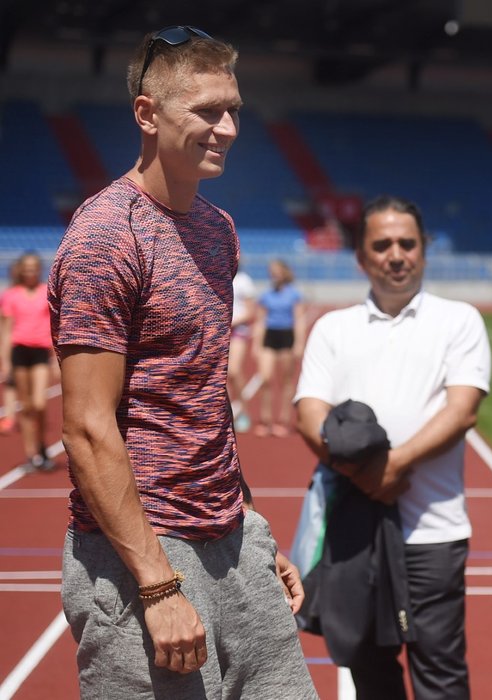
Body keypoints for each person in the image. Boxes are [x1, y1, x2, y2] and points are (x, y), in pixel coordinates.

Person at [47, 25, 317, 698]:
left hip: (233, 540)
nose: (226, 127)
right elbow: (85, 426)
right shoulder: (108, 234)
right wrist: (159, 585)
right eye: (206, 111)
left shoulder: (217, 231)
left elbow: (202, 394)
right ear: (148, 113)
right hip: (146, 555)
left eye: (233, 111)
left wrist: (250, 523)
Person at [294, 194, 491, 700]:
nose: (396, 254)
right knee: (369, 670)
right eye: (381, 245)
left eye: (407, 243)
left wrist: (394, 465)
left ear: (423, 250)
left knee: (440, 674)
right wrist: (362, 474)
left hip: (434, 530)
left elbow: (462, 409)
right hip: (354, 528)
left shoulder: (459, 320)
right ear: (361, 257)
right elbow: (309, 413)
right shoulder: (332, 328)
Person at [1, 252, 57, 470]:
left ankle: (42, 445)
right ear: (21, 270)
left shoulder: (46, 293)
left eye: (34, 267)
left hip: (41, 352)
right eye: (27, 267)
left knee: (40, 403)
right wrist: (5, 361)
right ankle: (31, 454)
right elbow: (5, 331)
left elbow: (54, 326)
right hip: (20, 352)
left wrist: (55, 358)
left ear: (38, 269)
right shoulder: (11, 295)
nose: (30, 271)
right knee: (25, 407)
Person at [253, 258, 304, 437]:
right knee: (265, 378)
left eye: (276, 271)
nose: (273, 274)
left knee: (286, 381)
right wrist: (256, 344)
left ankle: (283, 419)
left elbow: (299, 320)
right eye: (271, 271)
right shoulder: (266, 295)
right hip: (270, 336)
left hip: (286, 336)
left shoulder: (294, 294)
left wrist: (298, 343)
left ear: (284, 273)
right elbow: (259, 321)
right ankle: (265, 419)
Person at [229, 268, 256, 432]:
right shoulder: (218, 277)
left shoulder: (244, 280)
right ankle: (228, 413)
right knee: (221, 376)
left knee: (234, 371)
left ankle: (244, 412)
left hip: (238, 331)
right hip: (221, 332)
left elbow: (250, 311)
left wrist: (231, 322)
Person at [0, 260, 23, 435]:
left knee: (26, 386)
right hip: (13, 344)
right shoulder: (7, 295)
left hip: (30, 345)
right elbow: (3, 325)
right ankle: (10, 417)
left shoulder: (36, 292)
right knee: (10, 383)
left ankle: (28, 415)